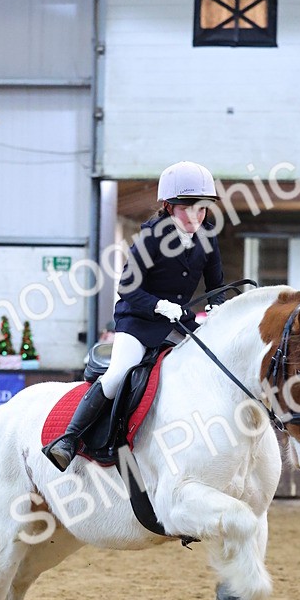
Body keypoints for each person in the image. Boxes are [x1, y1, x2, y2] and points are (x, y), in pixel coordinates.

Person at [43, 160, 225, 471]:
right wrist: (159, 306)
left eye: (202, 208)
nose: (196, 215)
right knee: (117, 375)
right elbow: (128, 288)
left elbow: (216, 283)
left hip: (178, 322)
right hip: (138, 321)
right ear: (168, 206)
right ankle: (69, 440)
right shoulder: (151, 238)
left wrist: (218, 305)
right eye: (187, 208)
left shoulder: (207, 236)